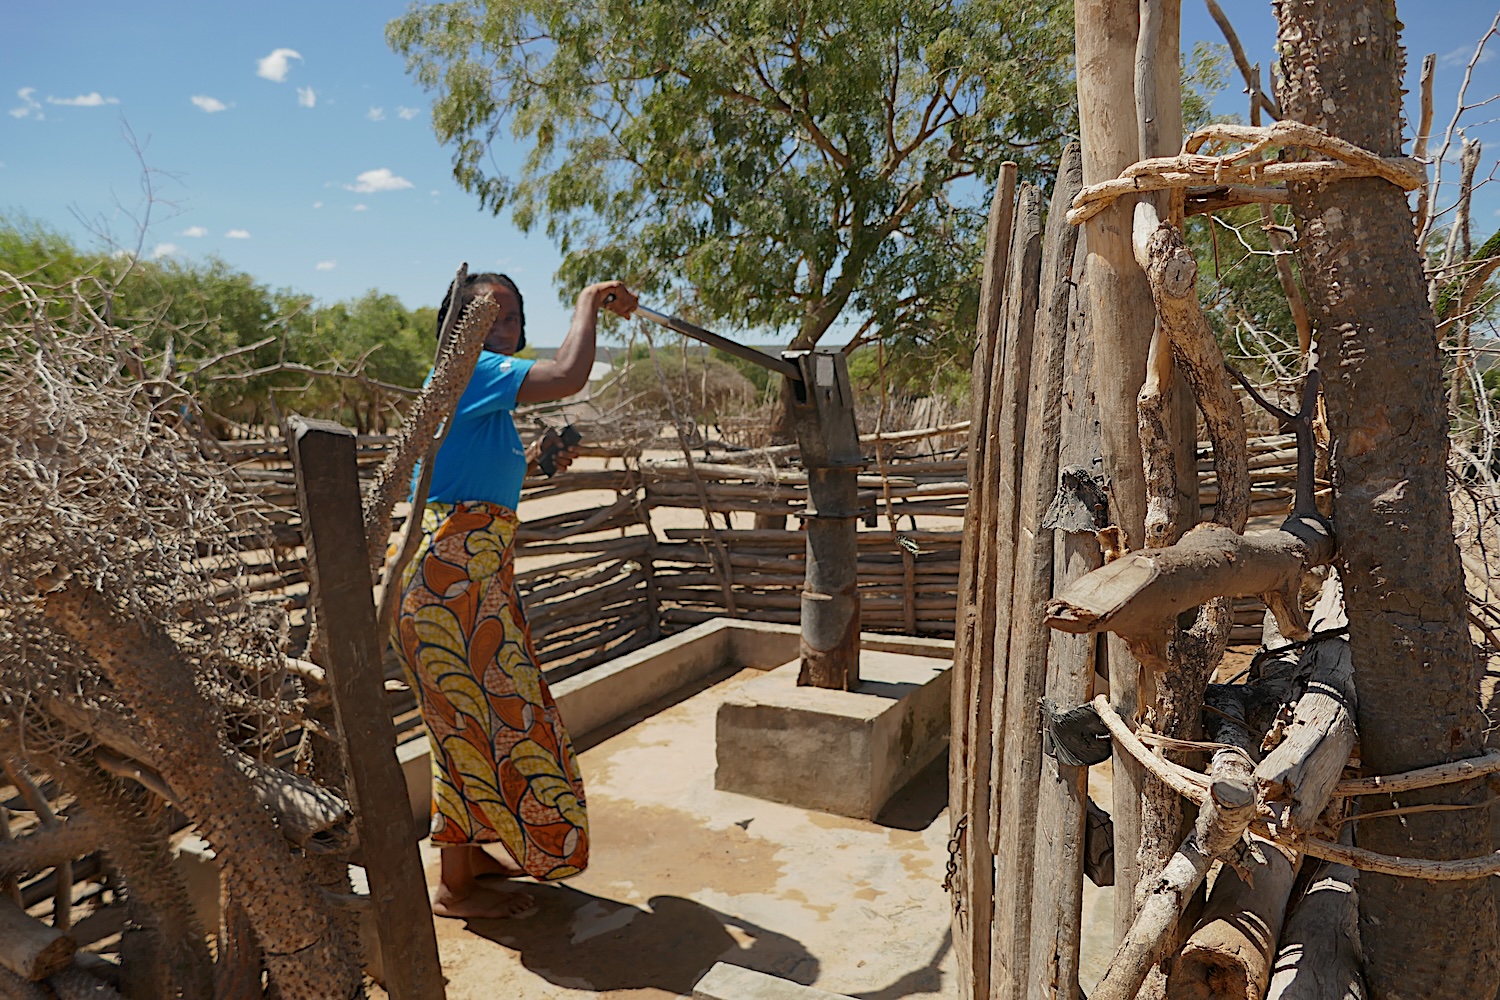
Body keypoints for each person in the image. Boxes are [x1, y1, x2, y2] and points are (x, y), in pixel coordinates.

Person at [393, 272, 638, 920]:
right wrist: (590, 301)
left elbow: (473, 476)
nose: (505, 329)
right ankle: (452, 889)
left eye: (512, 317)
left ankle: (465, 859)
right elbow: (567, 376)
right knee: (494, 720)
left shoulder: (479, 397)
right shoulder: (466, 371)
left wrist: (535, 458)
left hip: (462, 582)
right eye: (490, 315)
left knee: (469, 723)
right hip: (450, 586)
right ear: (455, 323)